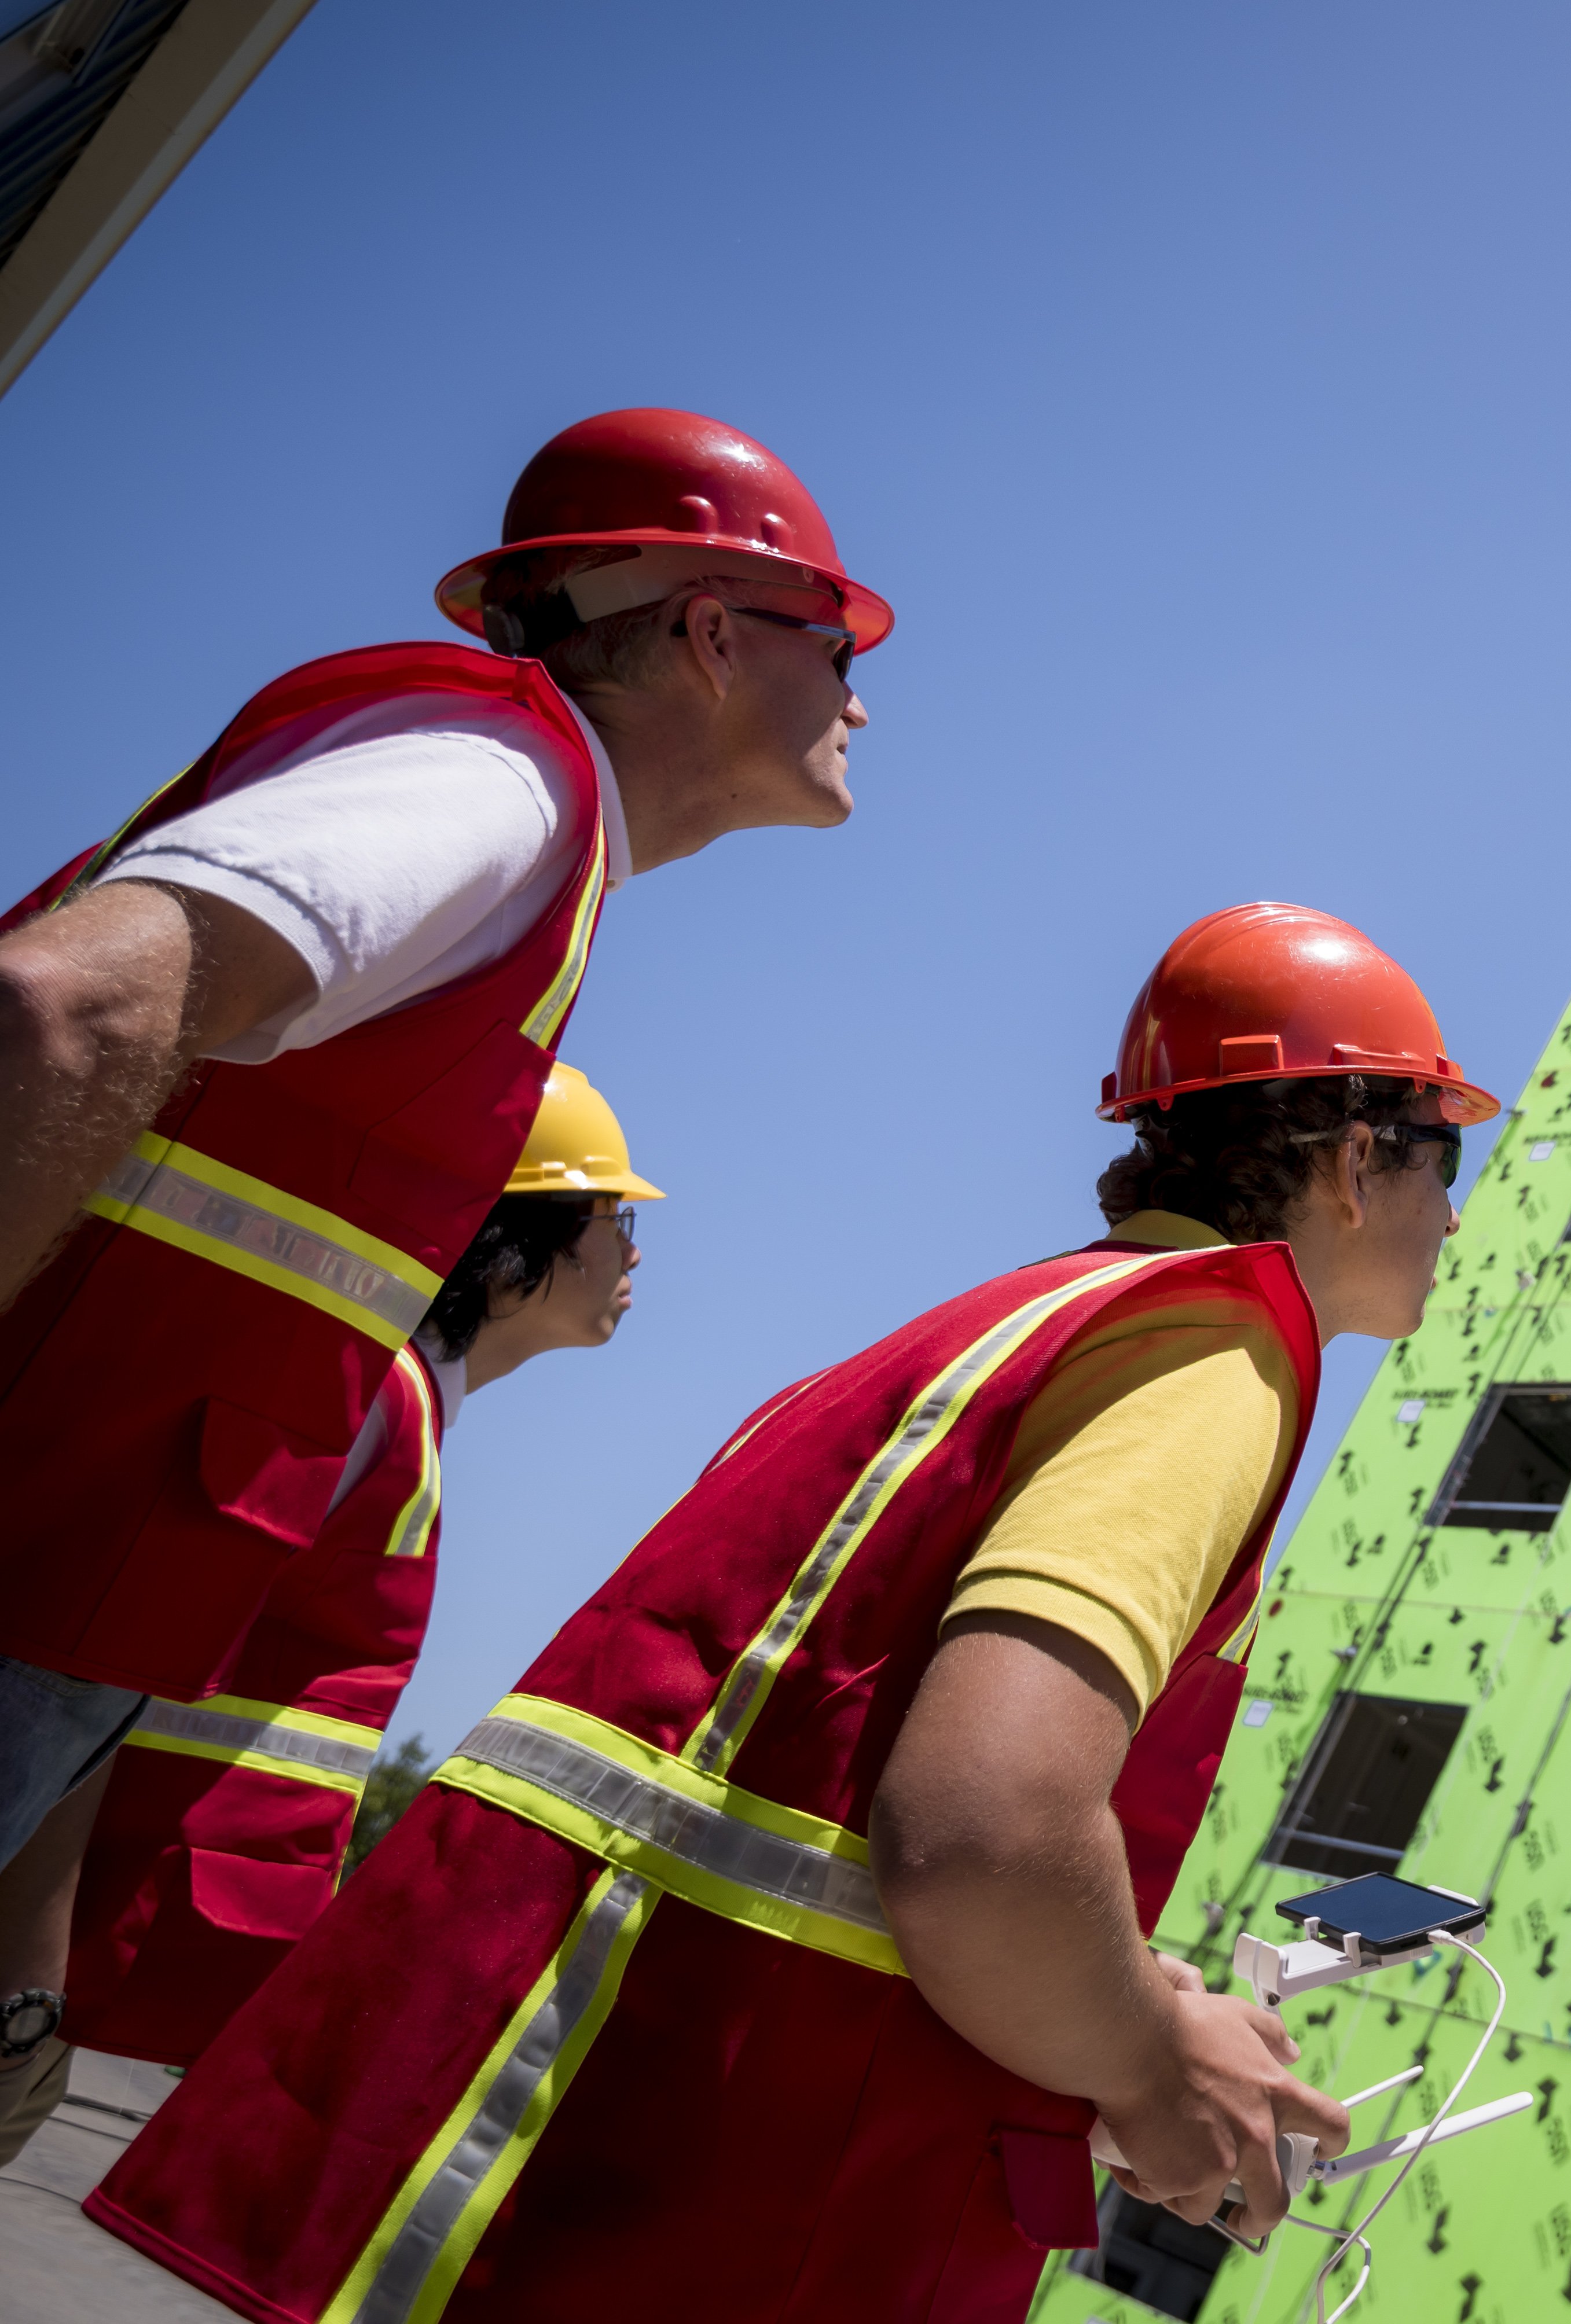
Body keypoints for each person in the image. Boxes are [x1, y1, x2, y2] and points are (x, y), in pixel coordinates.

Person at [91, 904, 1495, 2323]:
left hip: (492, 2125)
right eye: (1449, 1158)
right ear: (1358, 1157)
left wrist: (1111, 1989)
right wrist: (1150, 2065)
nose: (1455, 1214)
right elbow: (983, 1836)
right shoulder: (1214, 1354)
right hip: (714, 2187)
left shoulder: (992, 1331)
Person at [0, 410, 886, 1871]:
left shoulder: (522, 817)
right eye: (840, 650)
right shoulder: (496, 788)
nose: (861, 705)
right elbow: (65, 1010)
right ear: (714, 635)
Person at [0, 1063, 663, 2161]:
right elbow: (98, 1657)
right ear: (512, 1244)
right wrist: (23, 1976)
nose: (635, 1250)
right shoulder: (361, 1406)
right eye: (613, 1215)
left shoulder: (398, 1414)